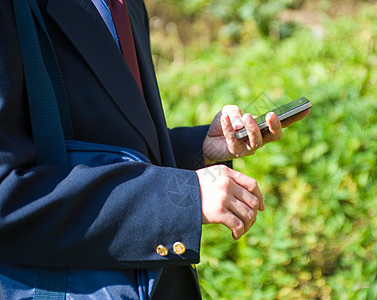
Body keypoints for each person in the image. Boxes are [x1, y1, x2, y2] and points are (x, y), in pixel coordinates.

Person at [0, 0, 310, 298]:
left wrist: (199, 148)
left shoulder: (126, 5)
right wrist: (182, 199)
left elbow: (115, 145)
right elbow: (5, 196)